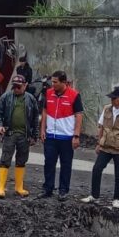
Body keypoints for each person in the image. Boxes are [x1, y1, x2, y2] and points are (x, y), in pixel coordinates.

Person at [81, 86, 119, 209]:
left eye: (114, 98)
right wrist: (99, 144)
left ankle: (117, 199)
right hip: (106, 146)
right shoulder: (107, 109)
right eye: (111, 98)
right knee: (97, 169)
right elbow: (101, 127)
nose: (112, 100)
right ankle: (94, 195)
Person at [38, 70, 84, 201]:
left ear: (64, 82)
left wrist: (76, 135)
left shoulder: (74, 95)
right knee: (49, 163)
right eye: (52, 81)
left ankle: (63, 190)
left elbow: (79, 115)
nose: (52, 84)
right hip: (51, 136)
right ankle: (48, 188)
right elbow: (45, 110)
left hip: (66, 137)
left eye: (55, 82)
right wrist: (42, 129)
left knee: (66, 164)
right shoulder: (49, 93)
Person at [0, 75, 39, 198]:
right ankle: (1, 187)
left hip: (24, 135)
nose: (16, 89)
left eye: (19, 87)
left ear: (25, 85)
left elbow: (35, 118)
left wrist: (35, 135)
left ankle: (19, 187)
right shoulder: (6, 96)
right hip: (10, 133)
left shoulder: (30, 99)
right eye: (14, 87)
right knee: (5, 159)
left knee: (21, 160)